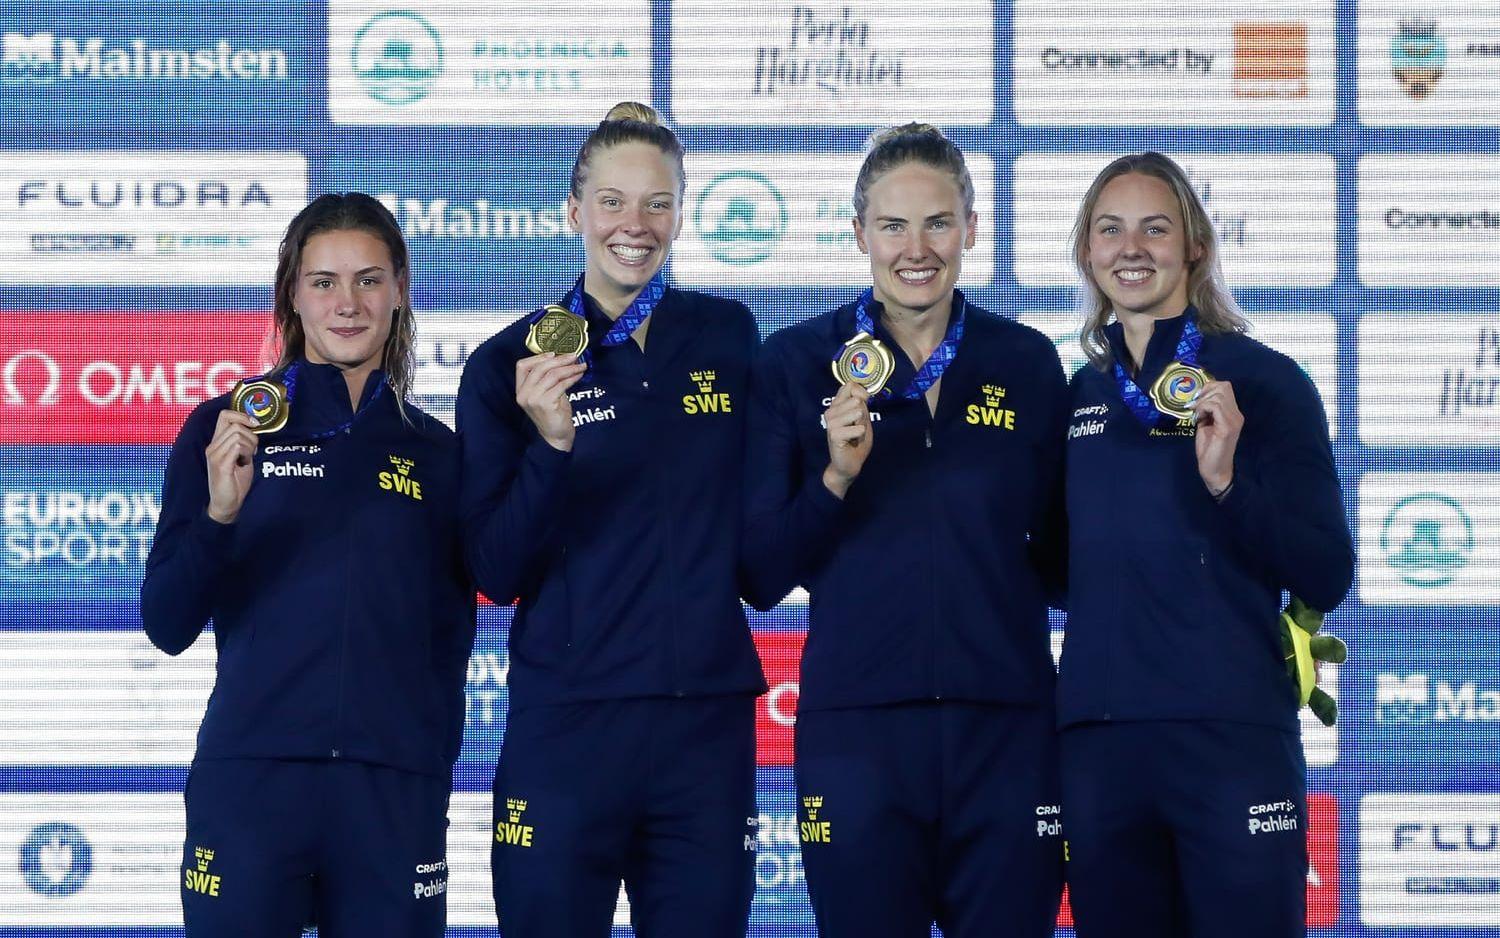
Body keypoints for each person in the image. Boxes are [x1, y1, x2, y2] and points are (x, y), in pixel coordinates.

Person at [742, 123, 1068, 937]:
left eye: (937, 222)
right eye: (892, 225)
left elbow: (1067, 559)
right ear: (859, 234)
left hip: (1007, 734)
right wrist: (835, 478)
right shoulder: (795, 361)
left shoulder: (1025, 361)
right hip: (857, 738)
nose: (915, 248)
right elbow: (759, 571)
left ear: (970, 229)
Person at [457, 101, 765, 938]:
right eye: (614, 201)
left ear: (680, 211)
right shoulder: (505, 365)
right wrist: (550, 448)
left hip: (703, 727)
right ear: (574, 210)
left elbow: (763, 543)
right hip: (568, 729)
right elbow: (493, 568)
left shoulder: (729, 335)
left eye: (658, 203)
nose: (637, 225)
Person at [140, 193, 475, 936]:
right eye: (323, 281)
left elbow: (451, 639)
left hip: (392, 797)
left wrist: (423, 773)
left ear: (400, 291)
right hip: (253, 785)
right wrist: (221, 514)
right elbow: (165, 622)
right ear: (292, 293)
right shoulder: (224, 426)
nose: (346, 303)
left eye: (367, 279)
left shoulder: (439, 452)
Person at [1057, 152, 1354, 937]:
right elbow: (1060, 570)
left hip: (1230, 741)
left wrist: (1228, 486)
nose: (1132, 248)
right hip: (1101, 746)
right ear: (1087, 250)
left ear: (1194, 245)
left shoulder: (1265, 382)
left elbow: (1327, 567)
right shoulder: (1079, 396)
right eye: (1110, 229)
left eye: (1156, 228)